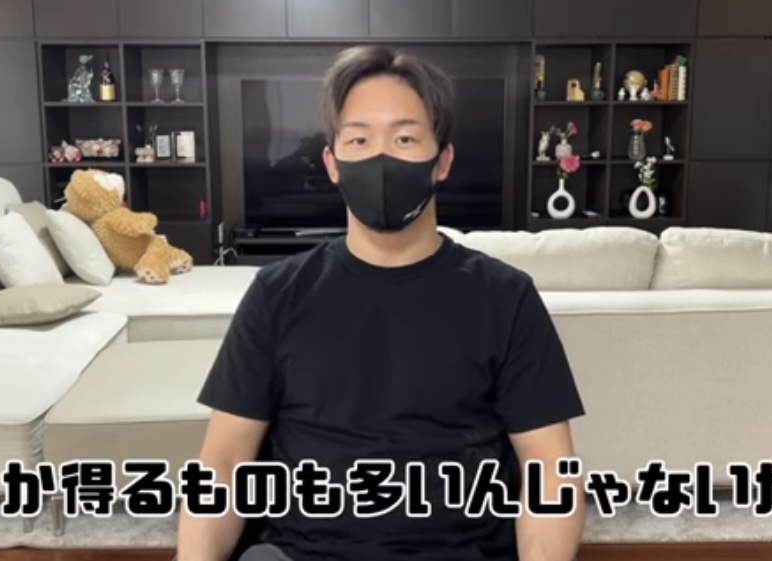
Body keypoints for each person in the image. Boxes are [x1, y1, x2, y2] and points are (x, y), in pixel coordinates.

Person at [177, 45, 586, 561]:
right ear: (332, 163)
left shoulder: (505, 297)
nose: (381, 158)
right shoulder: (277, 294)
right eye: (359, 139)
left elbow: (551, 470)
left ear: (443, 161)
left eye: (405, 138)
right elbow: (222, 467)